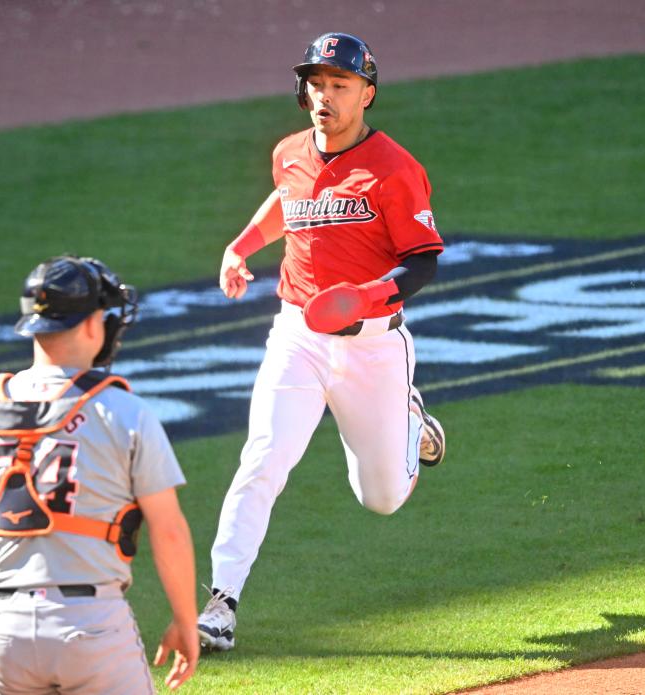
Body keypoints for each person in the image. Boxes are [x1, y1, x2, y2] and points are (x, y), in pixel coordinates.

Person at [197, 32, 447, 652]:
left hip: (371, 345)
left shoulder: (395, 168)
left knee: (382, 497)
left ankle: (410, 423)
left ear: (368, 93)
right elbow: (289, 202)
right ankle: (222, 601)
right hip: (297, 336)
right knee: (263, 458)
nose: (324, 96)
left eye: (339, 84)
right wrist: (241, 245)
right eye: (315, 83)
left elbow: (421, 263)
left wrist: (364, 298)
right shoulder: (289, 153)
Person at [0, 255, 199, 693]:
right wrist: (186, 621)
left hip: (6, 632)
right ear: (94, 324)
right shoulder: (123, 412)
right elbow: (168, 531)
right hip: (93, 627)